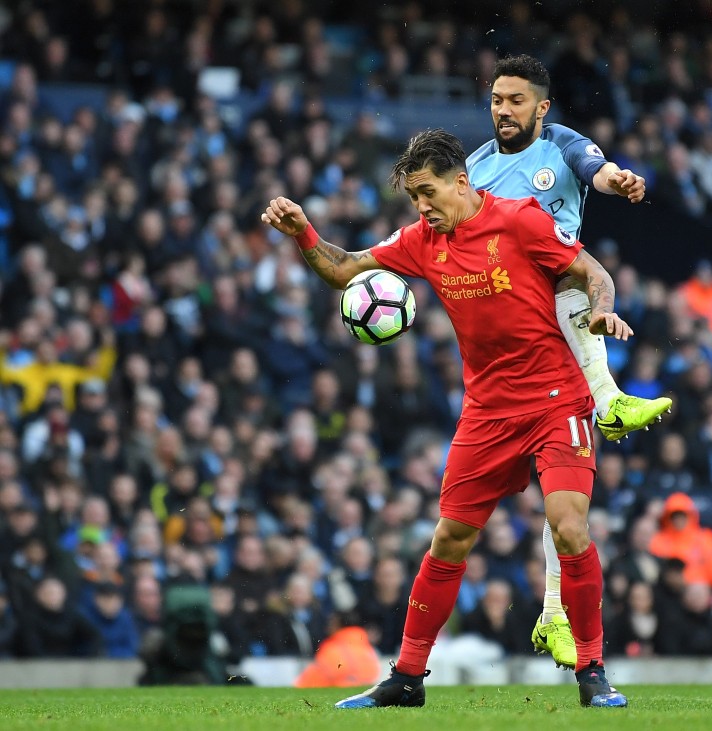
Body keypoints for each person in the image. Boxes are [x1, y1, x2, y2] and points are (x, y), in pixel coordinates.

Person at [261, 128, 629, 708]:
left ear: (463, 181)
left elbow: (593, 274)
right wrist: (303, 233)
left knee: (569, 526)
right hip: (486, 413)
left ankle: (592, 672)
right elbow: (345, 269)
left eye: (428, 192)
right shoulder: (421, 240)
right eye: (413, 197)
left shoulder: (521, 221)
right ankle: (406, 678)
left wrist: (603, 313)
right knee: (449, 539)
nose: (422, 206)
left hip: (556, 400)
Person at [467, 55, 671, 667]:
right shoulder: (474, 169)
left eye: (516, 100)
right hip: (504, 319)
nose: (504, 109)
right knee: (564, 274)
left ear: (541, 107)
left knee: (566, 492)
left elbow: (598, 170)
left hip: (555, 318)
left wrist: (621, 181)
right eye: (498, 99)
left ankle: (554, 612)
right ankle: (608, 397)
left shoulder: (560, 145)